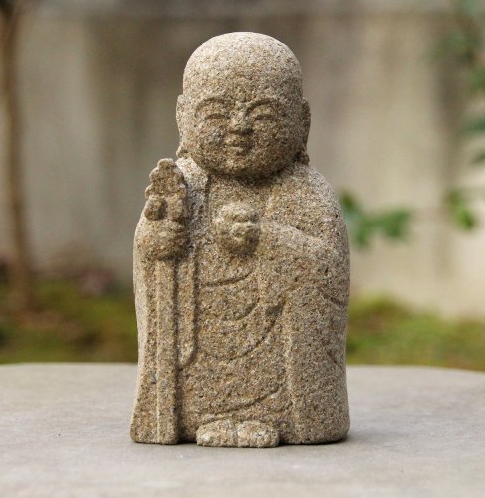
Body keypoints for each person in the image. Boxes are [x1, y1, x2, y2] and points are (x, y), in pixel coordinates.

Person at [131, 32, 349, 447]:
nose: (239, 128)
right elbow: (150, 255)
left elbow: (329, 272)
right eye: (216, 113)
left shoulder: (307, 193)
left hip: (278, 368)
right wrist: (156, 241)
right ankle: (196, 415)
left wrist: (268, 239)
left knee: (272, 373)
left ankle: (275, 416)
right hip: (197, 348)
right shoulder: (183, 187)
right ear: (183, 117)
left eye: (264, 114)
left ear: (302, 122)